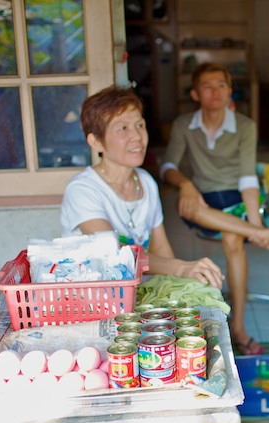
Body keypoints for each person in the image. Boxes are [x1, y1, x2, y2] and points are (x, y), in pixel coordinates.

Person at [161, 62, 269, 356]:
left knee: (233, 239)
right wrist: (185, 184)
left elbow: (247, 179)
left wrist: (255, 222)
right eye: (207, 86)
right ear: (195, 93)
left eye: (221, 85)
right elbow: (167, 166)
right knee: (191, 207)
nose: (215, 91)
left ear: (230, 90)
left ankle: (239, 329)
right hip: (202, 198)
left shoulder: (244, 125)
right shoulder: (184, 125)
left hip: (236, 199)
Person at [61, 85, 224, 289]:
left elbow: (161, 247)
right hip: (92, 298)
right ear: (96, 142)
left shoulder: (146, 182)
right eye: (123, 128)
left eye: (140, 125)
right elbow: (112, 253)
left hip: (134, 294)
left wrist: (180, 287)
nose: (137, 136)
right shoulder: (83, 189)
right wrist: (181, 267)